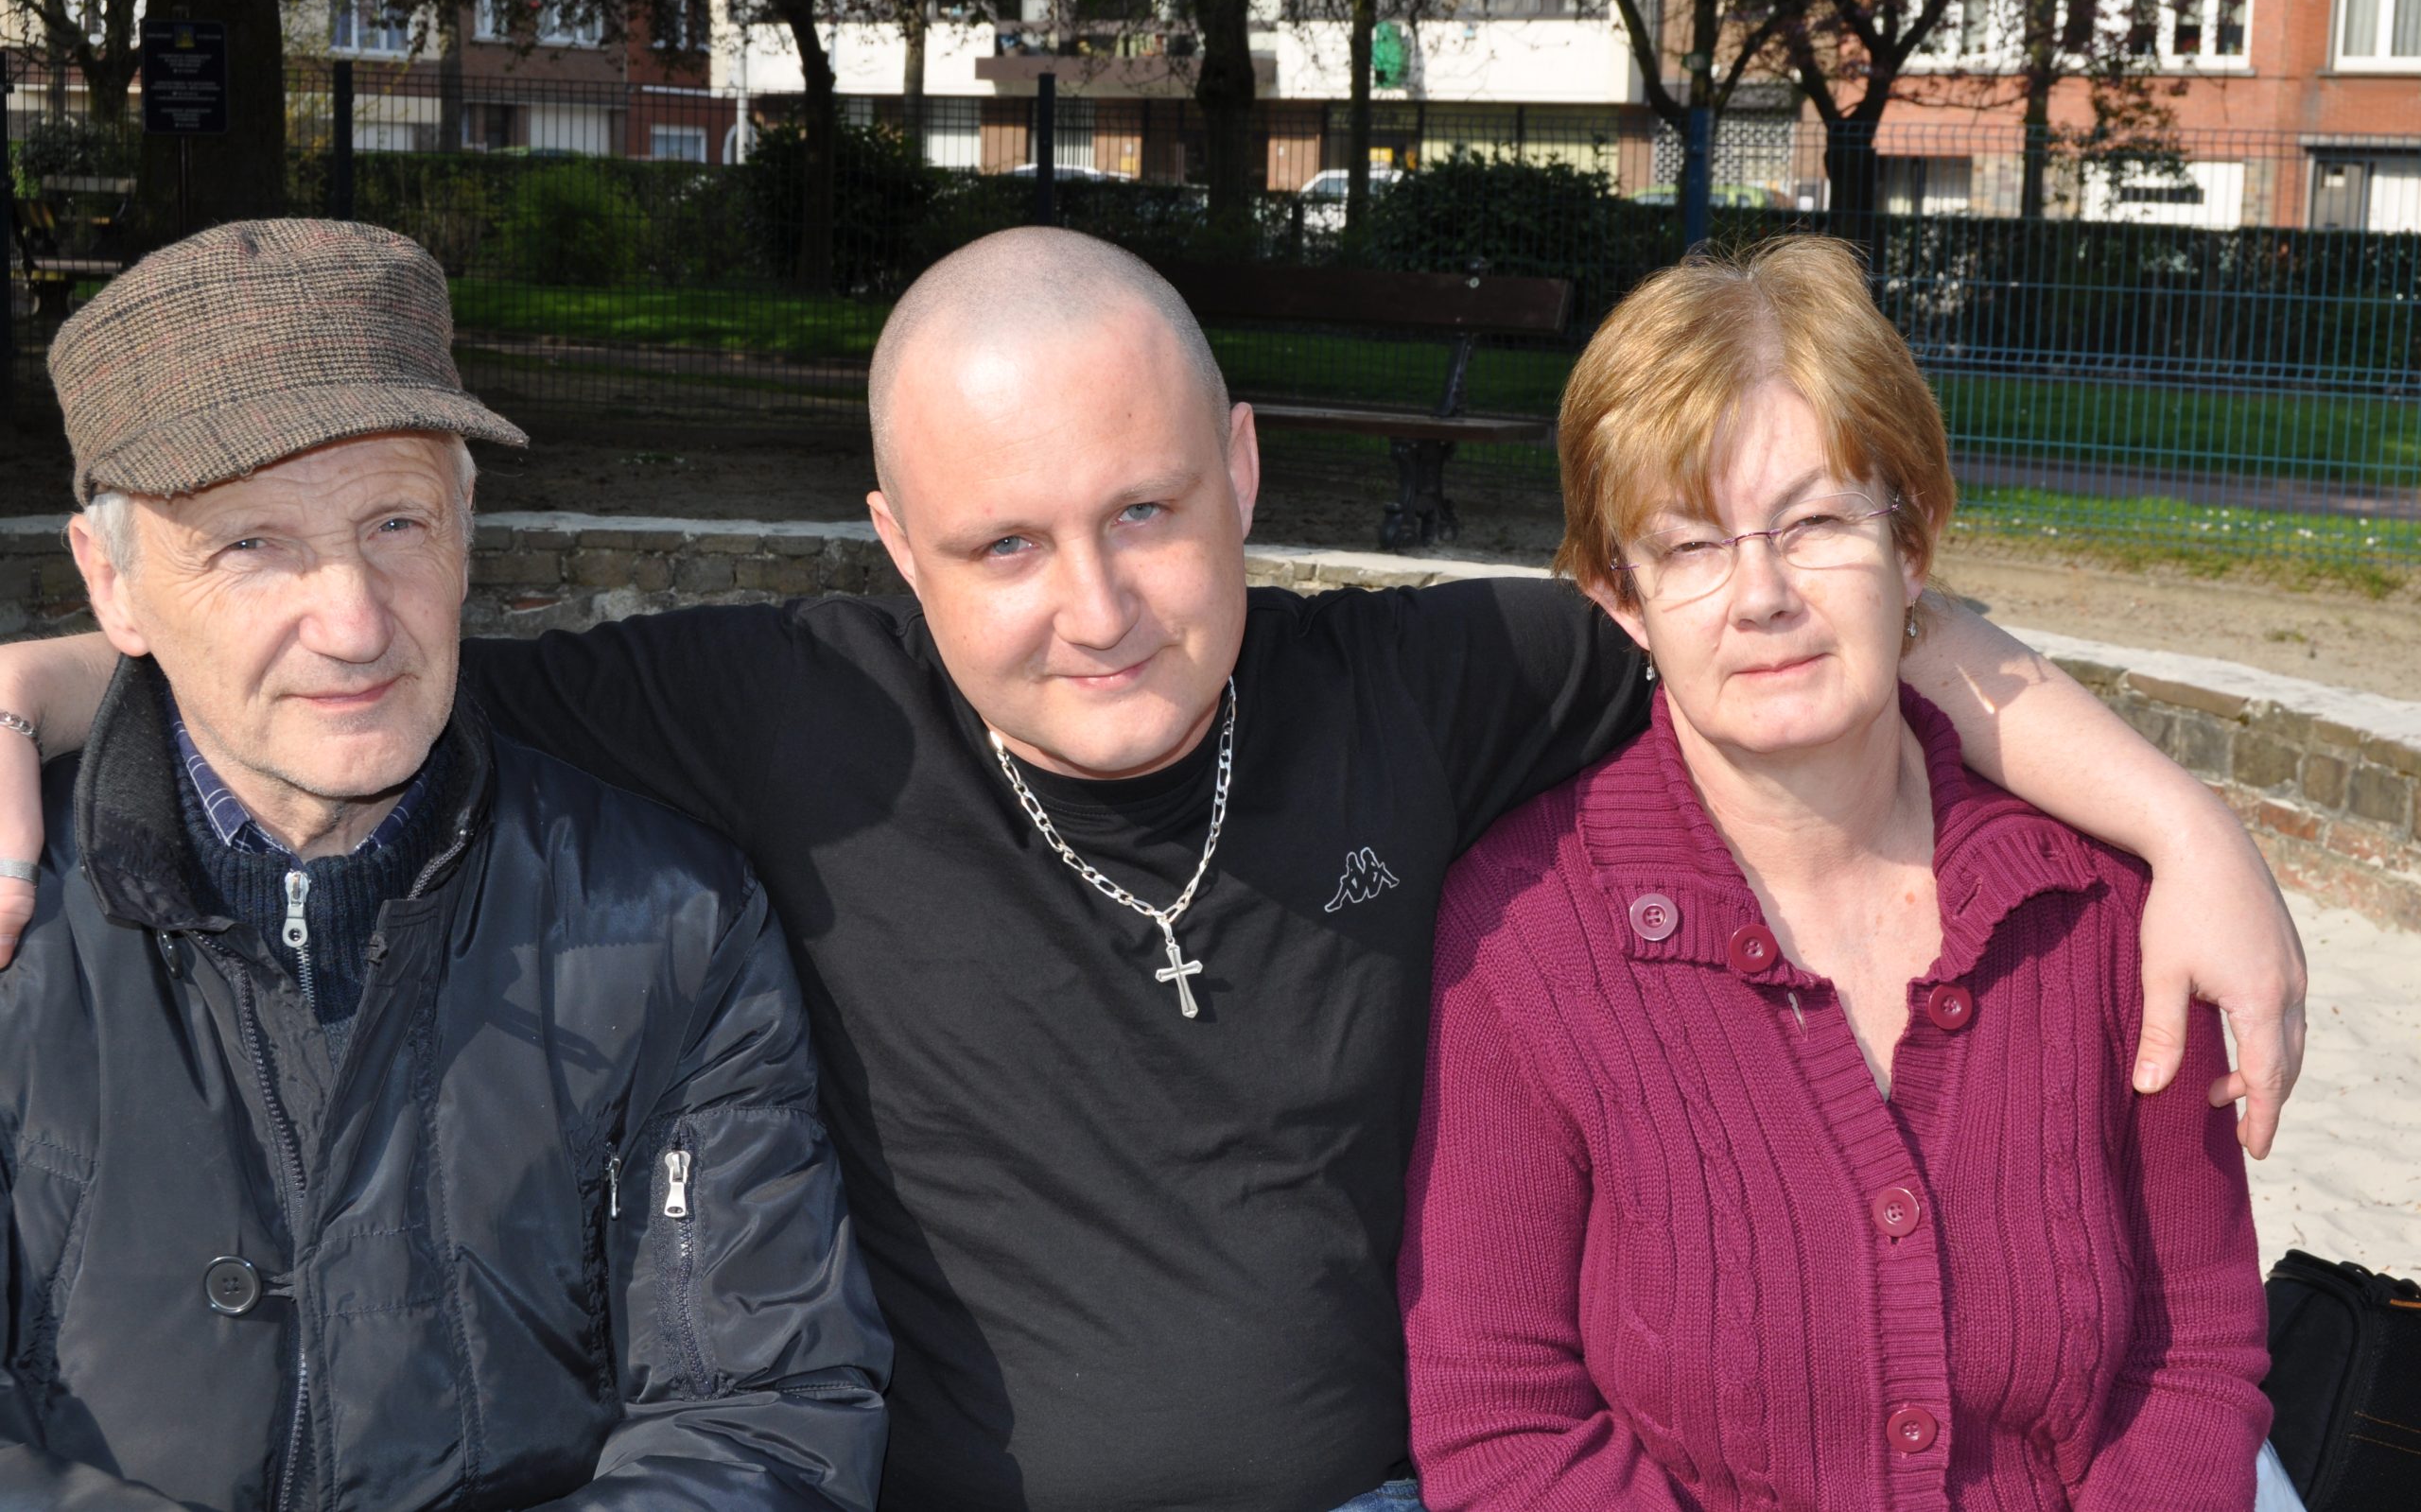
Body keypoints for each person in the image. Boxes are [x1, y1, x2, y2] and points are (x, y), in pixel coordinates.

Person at [0, 228, 2305, 1512]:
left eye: (1144, 513)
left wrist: (2176, 822)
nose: (1091, 607)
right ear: (894, 547)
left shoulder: (1432, 685)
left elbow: (1786, 612)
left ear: (1243, 471)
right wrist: (32, 681)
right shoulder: (783, 711)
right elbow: (351, 660)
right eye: (1000, 545)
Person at [0, 220, 888, 1510]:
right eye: (251, 544)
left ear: (470, 527)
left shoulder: (672, 925)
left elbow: (758, 1416)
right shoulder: (21, 927)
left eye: (396, 521)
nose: (355, 621)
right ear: (112, 585)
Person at [1400, 236, 2273, 1510]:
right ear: (1621, 599)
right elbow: (1505, 1422)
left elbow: (2192, 1353)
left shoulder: (2102, 913)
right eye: (1689, 547)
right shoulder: (1521, 939)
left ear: (1911, 544)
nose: (1762, 595)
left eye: (1814, 523)